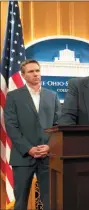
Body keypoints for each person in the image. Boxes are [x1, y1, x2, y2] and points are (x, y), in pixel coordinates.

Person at [4, 59, 61, 210]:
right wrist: (29, 148)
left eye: (37, 70)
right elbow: (11, 126)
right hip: (23, 157)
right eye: (31, 71)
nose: (36, 74)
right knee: (21, 202)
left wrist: (49, 147)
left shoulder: (52, 95)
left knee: (50, 201)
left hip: (47, 156)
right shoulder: (13, 96)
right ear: (23, 75)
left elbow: (58, 125)